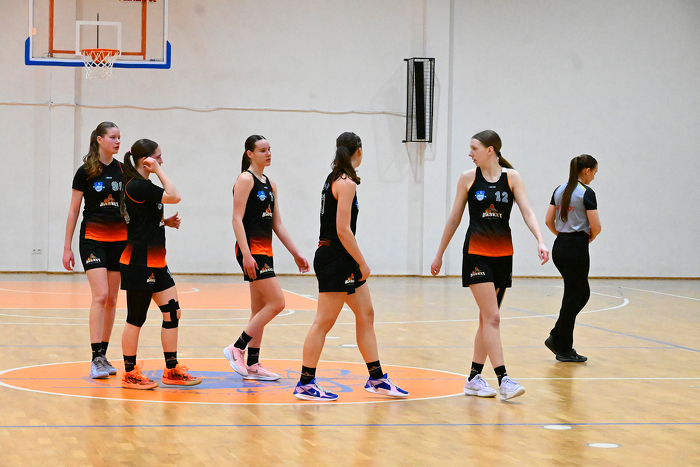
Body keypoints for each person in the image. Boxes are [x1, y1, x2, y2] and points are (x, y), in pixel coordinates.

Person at [431, 130, 549, 401]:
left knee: (487, 319)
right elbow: (454, 218)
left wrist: (540, 241)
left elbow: (527, 212)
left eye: (474, 148)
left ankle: (474, 378)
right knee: (493, 318)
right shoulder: (468, 178)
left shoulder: (512, 178)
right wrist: (439, 254)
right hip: (476, 254)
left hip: (503, 255)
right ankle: (504, 379)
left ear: (490, 150)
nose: (470, 153)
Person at [293, 132, 409, 401]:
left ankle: (376, 378)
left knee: (366, 314)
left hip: (339, 257)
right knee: (323, 322)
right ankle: (305, 383)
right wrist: (362, 262)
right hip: (336, 258)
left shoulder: (335, 177)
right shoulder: (345, 183)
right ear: (359, 151)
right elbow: (342, 230)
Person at [224, 135, 310, 381]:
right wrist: (246, 255)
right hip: (251, 251)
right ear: (250, 154)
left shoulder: (271, 184)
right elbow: (236, 219)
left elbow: (277, 224)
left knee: (259, 309)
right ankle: (237, 347)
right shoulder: (245, 179)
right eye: (262, 150)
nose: (268, 153)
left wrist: (296, 253)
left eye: (269, 149)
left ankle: (252, 363)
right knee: (277, 303)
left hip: (265, 251)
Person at [118, 139, 200, 389]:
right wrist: (159, 170)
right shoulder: (138, 185)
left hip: (156, 260)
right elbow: (175, 196)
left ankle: (171, 370)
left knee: (173, 312)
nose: (162, 161)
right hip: (138, 261)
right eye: (158, 157)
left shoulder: (145, 186)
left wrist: (165, 222)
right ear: (146, 160)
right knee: (136, 318)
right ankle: (130, 373)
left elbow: (141, 219)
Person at [63, 122, 127, 379]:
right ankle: (95, 358)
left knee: (112, 299)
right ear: (99, 140)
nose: (118, 141)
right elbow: (73, 211)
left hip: (119, 240)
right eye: (113, 137)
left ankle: (103, 355)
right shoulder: (86, 171)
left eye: (119, 137)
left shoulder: (124, 170)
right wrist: (67, 247)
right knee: (100, 295)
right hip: (92, 239)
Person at [544, 155, 600, 363]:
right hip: (576, 247)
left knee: (581, 293)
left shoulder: (559, 189)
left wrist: (562, 236)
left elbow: (548, 220)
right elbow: (596, 226)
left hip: (560, 245)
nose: (594, 177)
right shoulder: (586, 192)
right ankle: (564, 348)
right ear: (587, 170)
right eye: (594, 172)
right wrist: (589, 236)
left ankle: (556, 335)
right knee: (573, 296)